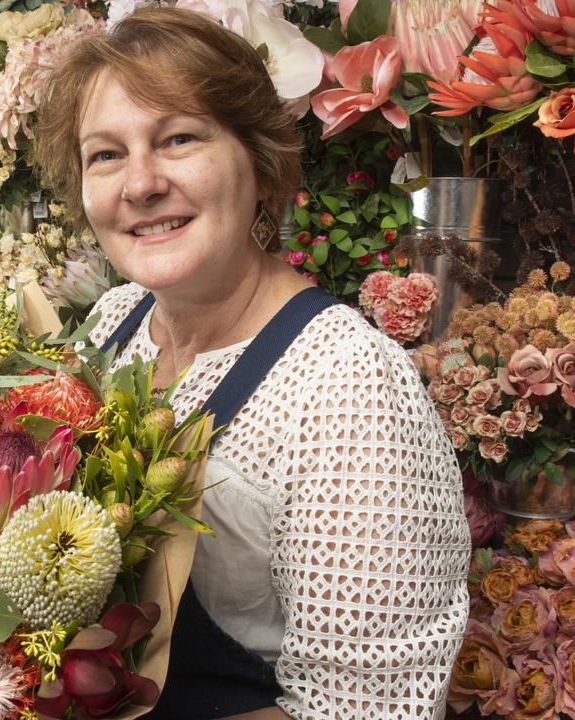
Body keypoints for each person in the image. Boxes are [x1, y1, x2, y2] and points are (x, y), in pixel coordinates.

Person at [36, 7, 471, 719]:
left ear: (259, 162)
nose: (139, 184)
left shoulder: (346, 388)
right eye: (106, 154)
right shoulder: (113, 326)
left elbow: (359, 710)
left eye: (178, 138)